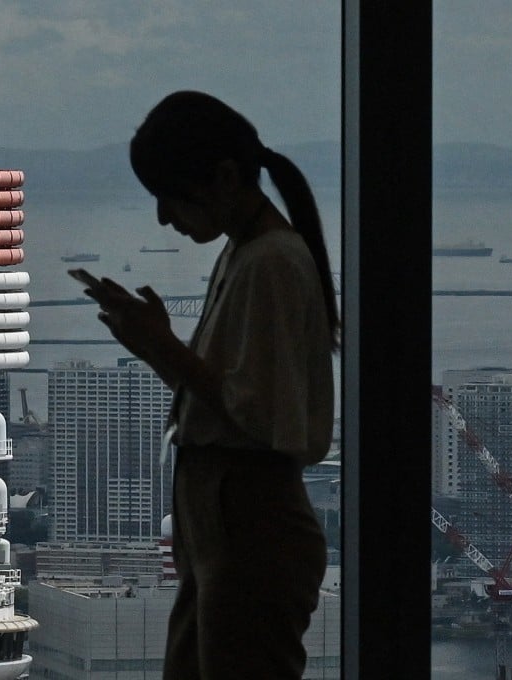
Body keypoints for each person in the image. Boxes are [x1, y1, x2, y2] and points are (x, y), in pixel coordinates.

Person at [70, 90, 339, 679]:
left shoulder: (268, 261)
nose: (165, 217)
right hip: (229, 523)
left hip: (249, 522)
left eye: (170, 196)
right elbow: (228, 398)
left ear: (223, 177)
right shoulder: (247, 253)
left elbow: (261, 414)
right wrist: (153, 344)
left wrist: (162, 344)